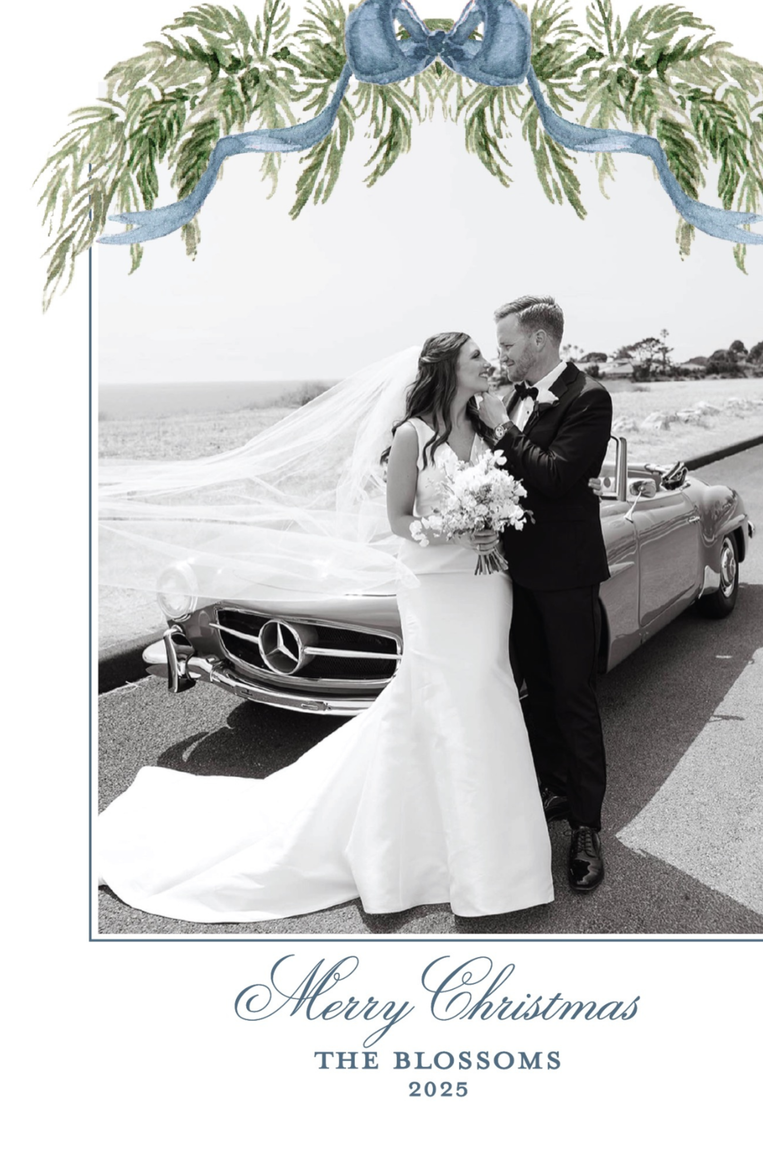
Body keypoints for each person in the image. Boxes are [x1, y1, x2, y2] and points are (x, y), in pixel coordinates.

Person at [96, 332, 555, 923]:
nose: (488, 363)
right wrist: (455, 532)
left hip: (487, 586)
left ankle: (494, 856)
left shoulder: (491, 430)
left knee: (486, 699)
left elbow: (510, 492)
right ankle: (416, 854)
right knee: (445, 702)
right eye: (475, 357)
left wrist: (490, 524)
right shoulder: (411, 435)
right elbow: (398, 521)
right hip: (436, 588)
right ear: (447, 370)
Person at [477, 296, 615, 892]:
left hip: (566, 576)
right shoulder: (509, 397)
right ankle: (551, 789)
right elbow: (501, 475)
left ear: (539, 341)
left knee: (575, 700)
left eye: (506, 344)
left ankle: (587, 827)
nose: (500, 355)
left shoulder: (590, 398)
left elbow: (557, 476)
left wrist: (503, 429)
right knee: (532, 694)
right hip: (515, 576)